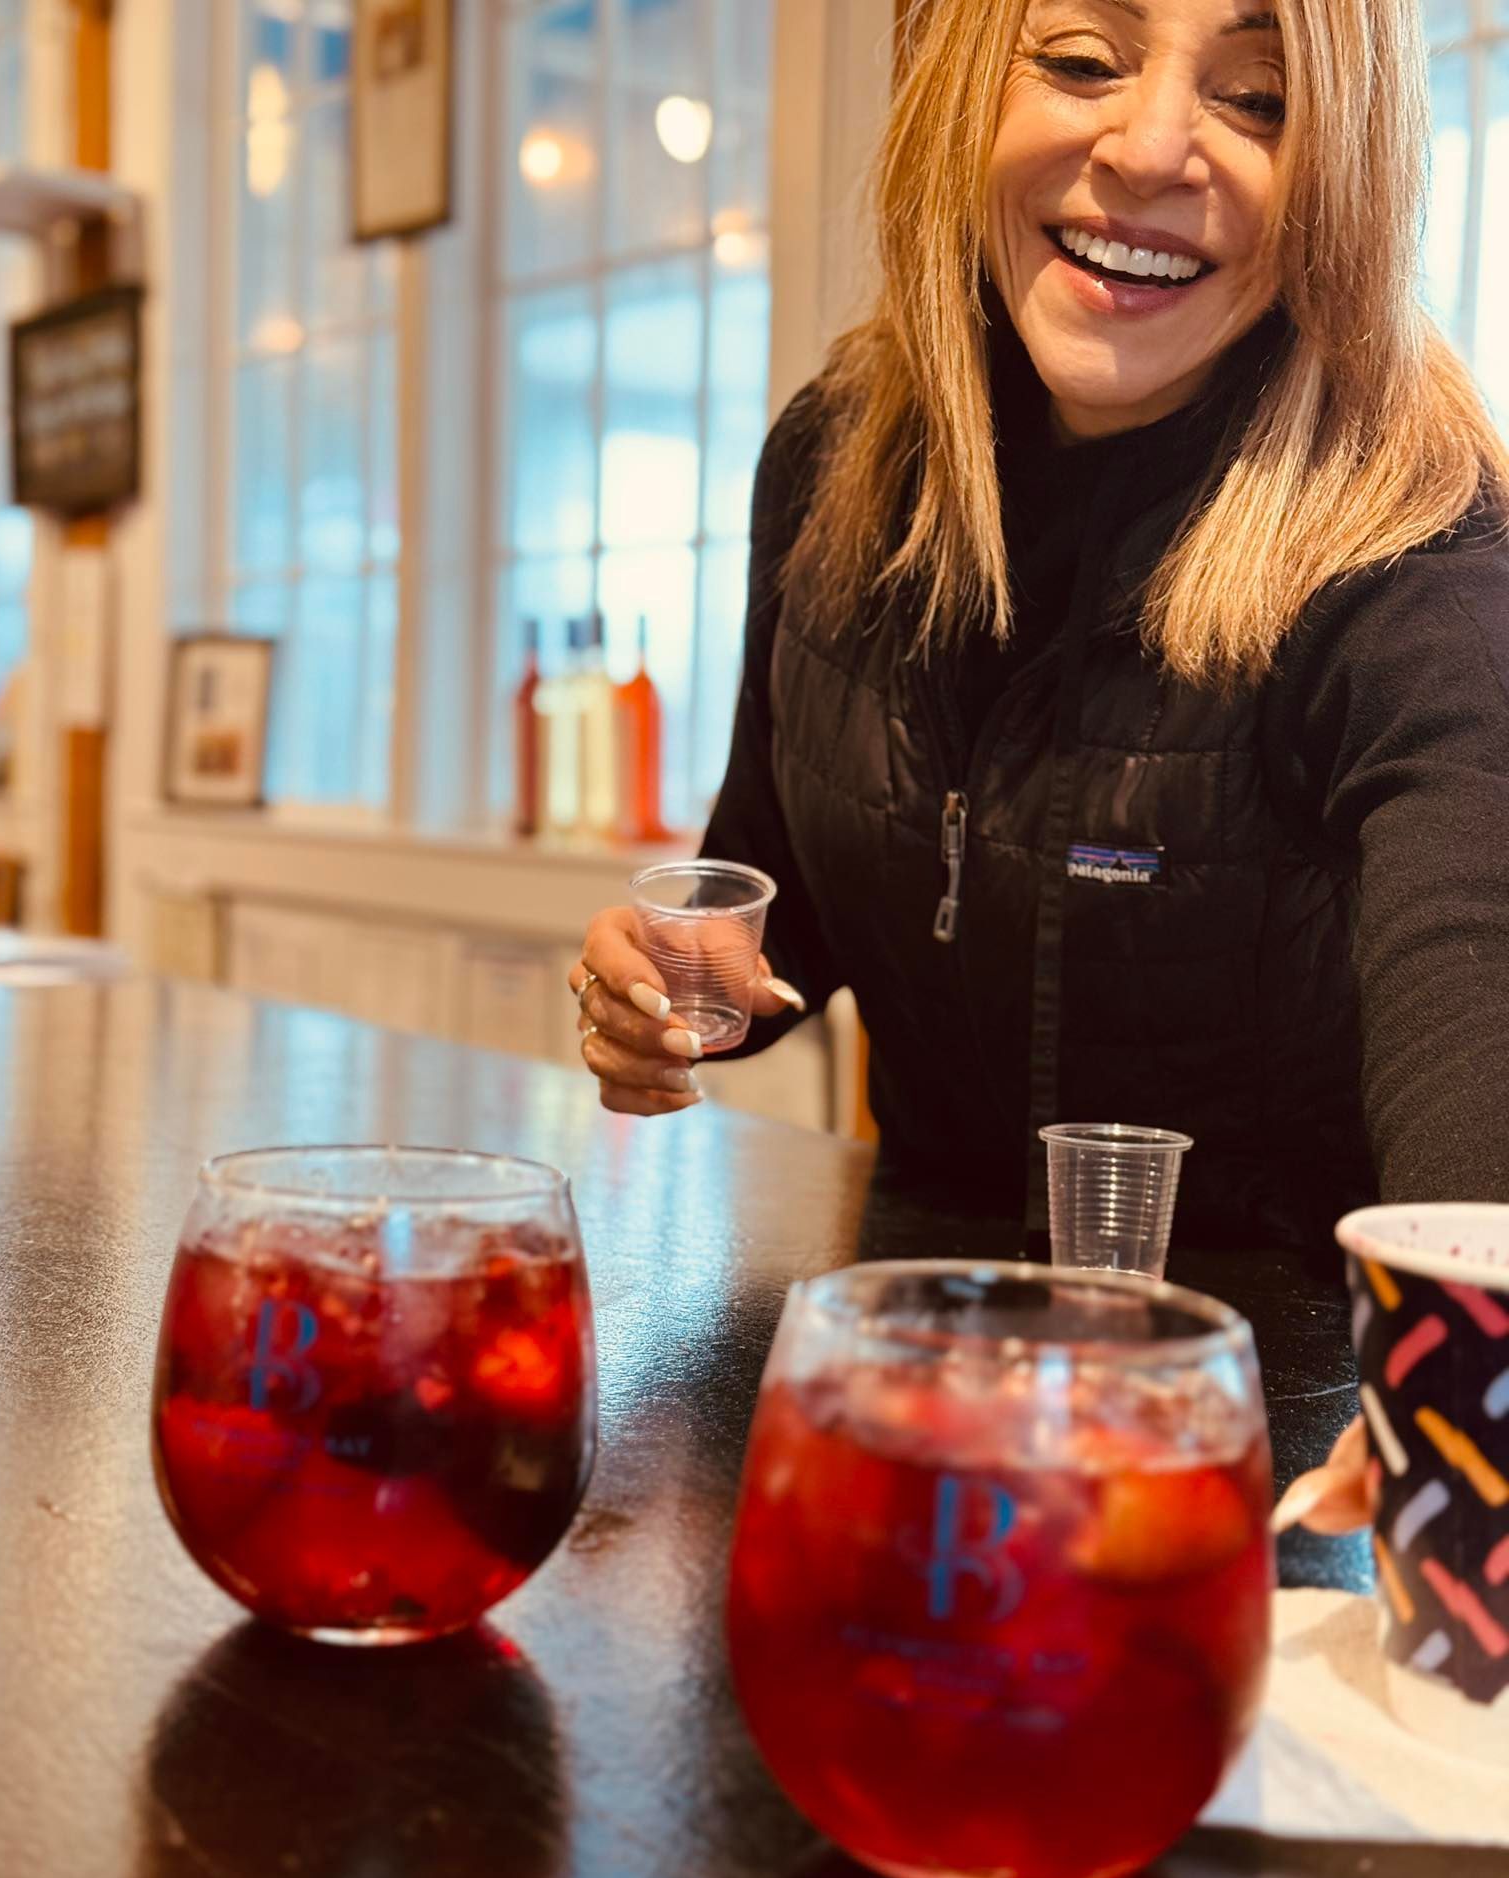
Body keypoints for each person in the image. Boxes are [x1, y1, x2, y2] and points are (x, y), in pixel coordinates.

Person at [572, 0, 1509, 1282]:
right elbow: (778, 884)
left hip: (1263, 1410)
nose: (1149, 147)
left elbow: (1482, 1096)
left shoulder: (1425, 574)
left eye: (1259, 100)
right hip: (917, 1360)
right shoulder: (834, 460)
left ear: (1346, 173)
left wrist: (1454, 1392)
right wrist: (679, 986)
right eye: (1081, 61)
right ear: (966, 91)